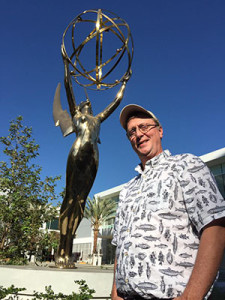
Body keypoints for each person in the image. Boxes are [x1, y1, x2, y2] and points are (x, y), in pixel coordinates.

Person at [111, 104, 225, 299]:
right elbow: (120, 246)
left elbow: (215, 226)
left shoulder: (187, 165)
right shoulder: (127, 190)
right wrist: (115, 294)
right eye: (132, 131)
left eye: (144, 127)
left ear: (160, 130)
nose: (138, 134)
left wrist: (191, 297)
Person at [53, 44, 131, 267]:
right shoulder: (77, 115)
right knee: (69, 199)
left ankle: (69, 248)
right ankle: (62, 248)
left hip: (94, 157)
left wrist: (124, 83)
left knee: (80, 201)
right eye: (84, 102)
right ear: (79, 106)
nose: (88, 102)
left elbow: (115, 103)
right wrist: (66, 65)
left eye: (88, 102)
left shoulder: (97, 119)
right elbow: (68, 87)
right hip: (77, 153)